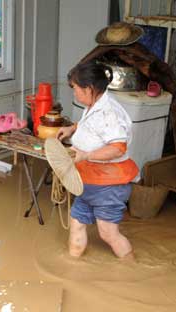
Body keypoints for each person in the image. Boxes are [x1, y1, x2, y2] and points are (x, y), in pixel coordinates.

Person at [56, 61, 139, 260]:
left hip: (108, 185)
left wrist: (86, 155)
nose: (74, 93)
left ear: (89, 89)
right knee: (76, 224)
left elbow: (118, 147)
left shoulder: (109, 112)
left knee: (108, 233)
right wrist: (73, 128)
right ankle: (71, 269)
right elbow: (93, 127)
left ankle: (131, 267)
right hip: (86, 182)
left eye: (75, 88)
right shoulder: (93, 105)